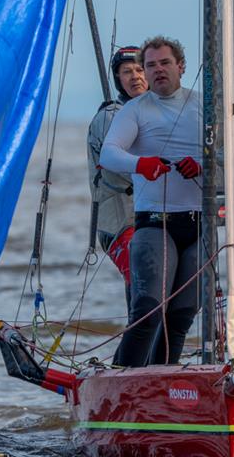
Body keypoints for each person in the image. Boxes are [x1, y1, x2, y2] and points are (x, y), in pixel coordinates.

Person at [99, 36, 202, 367]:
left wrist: (203, 165)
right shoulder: (135, 110)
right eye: (151, 65)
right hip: (154, 224)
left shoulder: (202, 104)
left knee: (181, 315)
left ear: (181, 67)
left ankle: (163, 379)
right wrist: (140, 164)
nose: (157, 71)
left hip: (199, 225)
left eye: (165, 63)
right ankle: (120, 378)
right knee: (149, 310)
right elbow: (109, 153)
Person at [86, 46, 148, 310]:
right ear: (118, 80)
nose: (135, 76)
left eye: (139, 69)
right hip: (120, 223)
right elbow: (131, 170)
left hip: (152, 219)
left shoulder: (157, 114)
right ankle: (138, 346)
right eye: (127, 72)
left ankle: (155, 347)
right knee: (145, 283)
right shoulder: (110, 117)